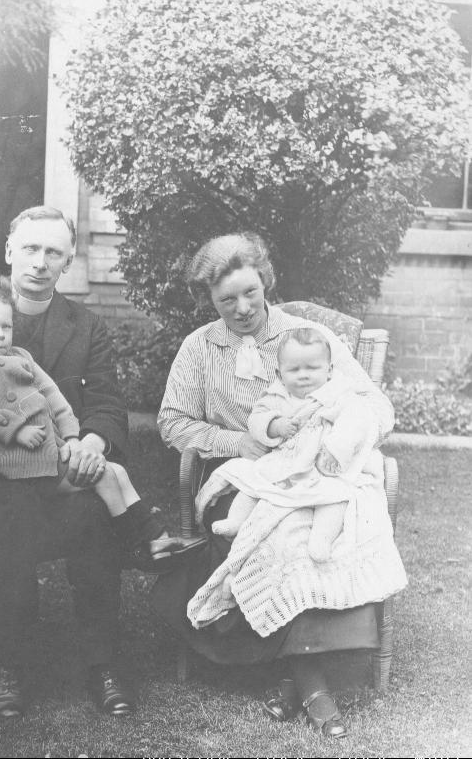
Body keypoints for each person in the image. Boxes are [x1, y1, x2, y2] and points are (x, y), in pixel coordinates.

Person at [0, 205, 198, 720]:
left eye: (53, 252)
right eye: (31, 249)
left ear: (68, 261)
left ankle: (102, 663)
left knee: (93, 516)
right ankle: (7, 662)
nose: (40, 262)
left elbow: (107, 406)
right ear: (10, 249)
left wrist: (92, 444)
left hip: (54, 461)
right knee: (14, 513)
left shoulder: (84, 327)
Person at [153, 232, 407, 740]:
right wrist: (235, 443)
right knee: (284, 527)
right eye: (227, 300)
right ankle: (311, 680)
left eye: (251, 292)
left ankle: (298, 675)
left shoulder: (310, 336)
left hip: (320, 469)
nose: (243, 308)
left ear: (266, 282)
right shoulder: (199, 348)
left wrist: (342, 441)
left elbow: (377, 407)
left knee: (324, 524)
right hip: (243, 480)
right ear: (209, 301)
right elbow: (171, 421)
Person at [0, 268, 203, 565]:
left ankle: (158, 537)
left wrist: (74, 439)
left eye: (6, 326)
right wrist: (16, 431)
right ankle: (132, 545)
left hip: (47, 451)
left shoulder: (21, 357)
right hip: (14, 463)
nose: (0, 334)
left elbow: (55, 398)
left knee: (116, 470)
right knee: (102, 475)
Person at [200, 327, 382, 564]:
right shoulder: (276, 395)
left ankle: (322, 538)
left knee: (335, 498)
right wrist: (274, 425)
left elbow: (356, 421)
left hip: (321, 466)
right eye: (294, 369)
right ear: (279, 373)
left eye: (312, 368)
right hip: (284, 461)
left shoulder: (340, 395)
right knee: (253, 485)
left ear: (329, 370)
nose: (303, 375)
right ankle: (236, 521)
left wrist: (335, 448)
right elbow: (255, 419)